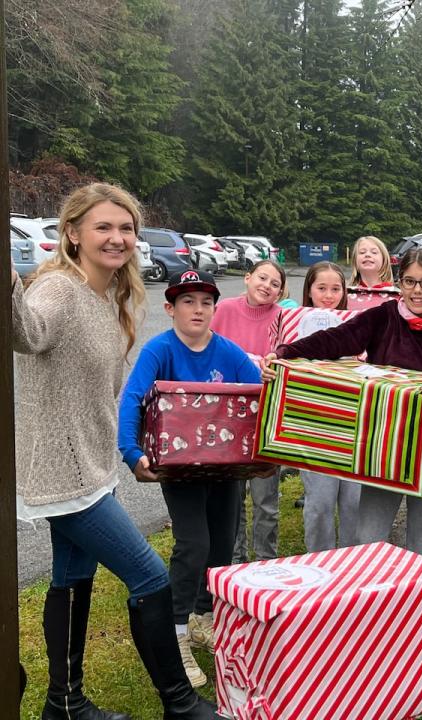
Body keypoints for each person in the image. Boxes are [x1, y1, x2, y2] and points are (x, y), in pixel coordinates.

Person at [11, 183, 219, 719]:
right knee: (149, 576)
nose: (117, 238)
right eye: (103, 227)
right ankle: (179, 704)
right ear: (73, 234)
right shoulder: (58, 289)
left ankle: (64, 703)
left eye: (125, 228)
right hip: (64, 472)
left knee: (71, 580)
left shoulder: (107, 297)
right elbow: (26, 333)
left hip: (90, 465)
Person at [261, 248, 422, 558]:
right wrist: (285, 352)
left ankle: (419, 604)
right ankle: (369, 603)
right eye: (410, 281)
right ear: (399, 284)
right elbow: (336, 339)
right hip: (384, 450)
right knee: (368, 538)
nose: (417, 290)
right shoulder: (384, 317)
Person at [118, 270, 262, 687]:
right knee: (193, 543)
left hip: (225, 466)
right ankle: (176, 631)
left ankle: (204, 616)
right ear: (171, 308)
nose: (197, 309)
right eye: (187, 301)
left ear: (215, 309)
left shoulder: (230, 352)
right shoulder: (159, 349)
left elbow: (258, 399)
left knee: (221, 543)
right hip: (180, 468)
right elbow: (133, 398)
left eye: (205, 302)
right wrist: (130, 451)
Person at [209, 260, 286, 564]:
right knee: (232, 500)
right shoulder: (225, 309)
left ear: (280, 292)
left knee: (266, 498)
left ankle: (266, 562)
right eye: (262, 278)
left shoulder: (282, 317)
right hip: (229, 415)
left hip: (267, 418)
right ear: (247, 278)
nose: (266, 285)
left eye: (275, 283)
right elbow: (208, 347)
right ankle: (235, 562)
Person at [294, 262, 362, 551]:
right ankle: (319, 562)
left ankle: (351, 566)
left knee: (353, 503)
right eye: (321, 288)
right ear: (309, 290)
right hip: (315, 426)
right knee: (320, 503)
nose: (329, 295)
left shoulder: (357, 324)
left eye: (336, 289)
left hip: (353, 427)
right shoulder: (294, 323)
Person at [347, 235, 395, 312]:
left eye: (374, 252)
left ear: (384, 259)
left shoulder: (396, 296)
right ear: (355, 261)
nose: (367, 255)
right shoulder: (345, 295)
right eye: (362, 252)